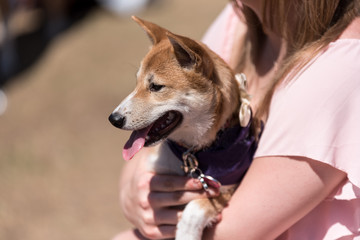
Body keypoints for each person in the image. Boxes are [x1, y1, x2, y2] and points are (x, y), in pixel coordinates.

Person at [113, 0, 360, 239]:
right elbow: (138, 167)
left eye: (156, 87)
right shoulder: (238, 16)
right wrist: (134, 195)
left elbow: (232, 233)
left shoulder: (340, 67)